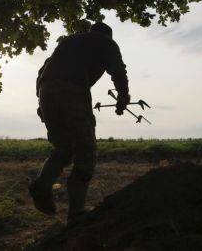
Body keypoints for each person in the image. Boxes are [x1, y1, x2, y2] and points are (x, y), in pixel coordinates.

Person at [29, 22, 130, 222]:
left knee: (63, 148)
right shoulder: (106, 42)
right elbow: (118, 70)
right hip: (72, 91)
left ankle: (42, 184)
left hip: (46, 92)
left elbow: (42, 71)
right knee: (86, 150)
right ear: (107, 35)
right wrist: (123, 96)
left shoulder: (69, 41)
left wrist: (42, 104)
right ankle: (76, 214)